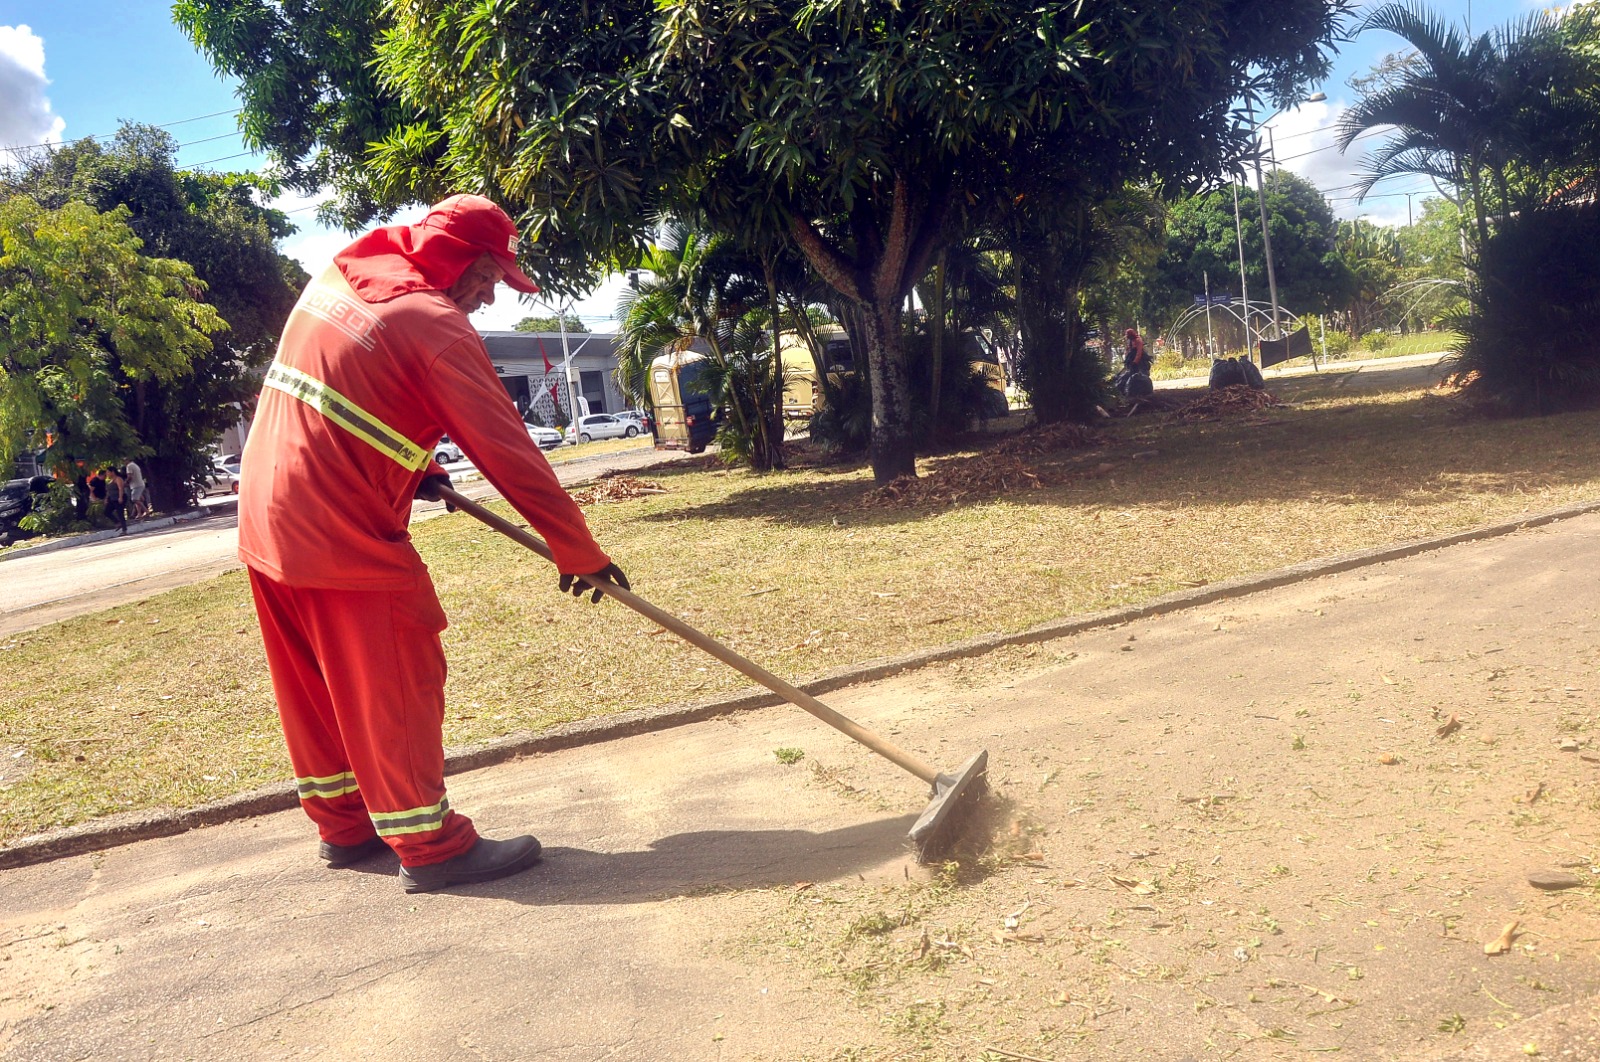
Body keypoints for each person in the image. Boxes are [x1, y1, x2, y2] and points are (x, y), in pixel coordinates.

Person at [238, 193, 628, 894]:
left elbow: (348, 394)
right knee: (394, 673)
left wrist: (419, 466)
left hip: (268, 517)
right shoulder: (432, 321)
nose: (487, 299)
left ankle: (346, 826)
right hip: (339, 532)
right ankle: (429, 843)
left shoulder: (339, 275)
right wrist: (577, 546)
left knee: (314, 686)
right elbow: (508, 449)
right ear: (455, 261)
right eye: (485, 279)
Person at [104, 467, 128, 535]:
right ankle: (117, 522)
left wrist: (120, 497)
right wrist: (106, 498)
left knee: (120, 513)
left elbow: (121, 488)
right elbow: (108, 491)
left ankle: (124, 530)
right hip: (112, 499)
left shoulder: (118, 479)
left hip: (119, 498)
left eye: (108, 472)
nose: (107, 474)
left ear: (113, 472)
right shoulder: (110, 480)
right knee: (107, 512)